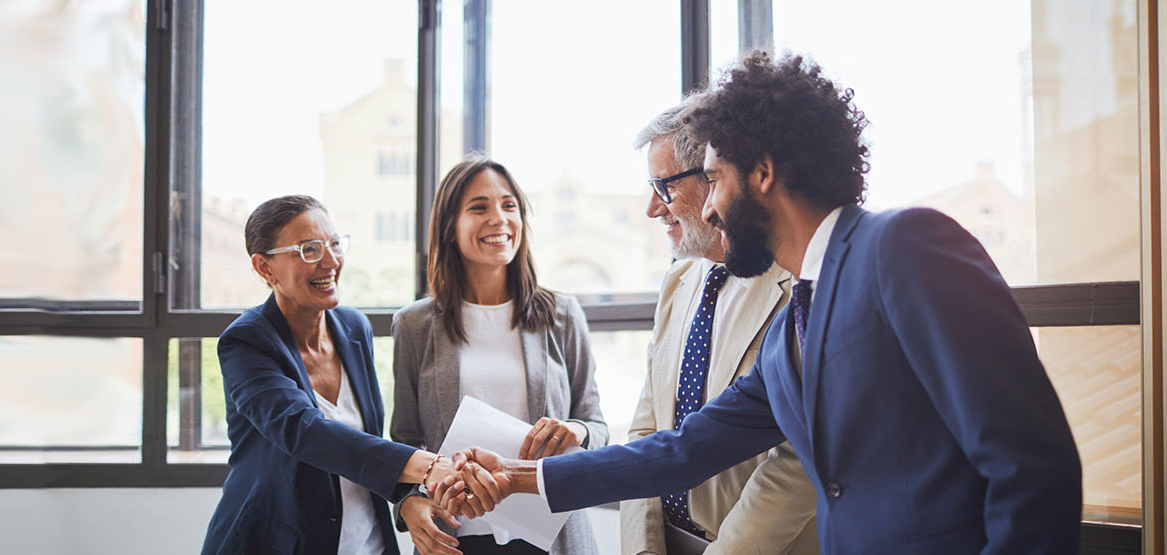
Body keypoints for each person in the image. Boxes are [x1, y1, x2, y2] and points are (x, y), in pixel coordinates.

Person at [431, 50, 1083, 555]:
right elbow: (681, 449)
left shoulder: (905, 245)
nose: (709, 205)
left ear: (763, 173)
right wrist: (519, 477)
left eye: (713, 178)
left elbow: (1033, 467)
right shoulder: (796, 321)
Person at [202, 195, 462, 555]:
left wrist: (406, 497)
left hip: (367, 542)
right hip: (280, 543)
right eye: (309, 250)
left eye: (334, 244)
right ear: (265, 268)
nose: (331, 261)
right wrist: (427, 466)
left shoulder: (353, 327)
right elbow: (304, 431)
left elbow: (365, 438)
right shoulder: (247, 342)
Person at [622, 100, 818, 555]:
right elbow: (646, 430)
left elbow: (797, 460)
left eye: (663, 187)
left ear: (715, 178)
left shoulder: (798, 288)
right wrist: (643, 548)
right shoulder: (678, 280)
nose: (653, 208)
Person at [389, 154, 606, 555]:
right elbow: (404, 439)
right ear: (450, 228)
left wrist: (577, 430)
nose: (498, 218)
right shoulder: (415, 325)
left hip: (551, 536)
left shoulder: (561, 315)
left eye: (509, 206)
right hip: (455, 536)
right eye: (479, 207)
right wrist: (406, 502)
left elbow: (596, 424)